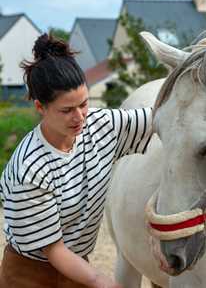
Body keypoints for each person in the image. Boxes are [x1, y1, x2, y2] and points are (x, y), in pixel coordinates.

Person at [0, 33, 153, 288]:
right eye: (66, 110)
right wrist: (105, 283)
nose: (79, 117)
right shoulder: (29, 168)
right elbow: (54, 251)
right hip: (29, 273)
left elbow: (161, 116)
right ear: (40, 108)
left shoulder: (102, 125)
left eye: (83, 104)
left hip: (78, 267)